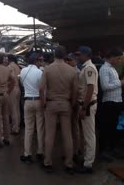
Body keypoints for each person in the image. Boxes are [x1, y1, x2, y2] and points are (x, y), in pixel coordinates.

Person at [40, 46, 78, 174]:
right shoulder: (72, 70)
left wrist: (43, 102)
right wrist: (72, 104)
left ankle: (48, 162)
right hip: (66, 104)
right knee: (67, 134)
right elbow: (75, 91)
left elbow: (41, 88)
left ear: (54, 55)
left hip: (51, 103)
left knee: (50, 134)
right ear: (65, 55)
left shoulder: (48, 69)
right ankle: (69, 163)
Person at [98, 48, 124, 161]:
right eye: (118, 58)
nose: (119, 61)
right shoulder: (104, 69)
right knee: (107, 128)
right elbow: (105, 86)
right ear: (112, 57)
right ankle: (104, 151)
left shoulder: (112, 68)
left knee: (113, 127)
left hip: (116, 101)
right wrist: (121, 82)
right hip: (109, 102)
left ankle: (111, 149)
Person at [76, 46, 98, 174]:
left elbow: (90, 88)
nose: (79, 57)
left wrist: (84, 107)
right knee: (86, 134)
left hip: (88, 105)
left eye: (80, 55)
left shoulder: (89, 68)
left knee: (89, 135)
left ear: (86, 55)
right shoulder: (85, 67)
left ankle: (88, 164)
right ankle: (86, 159)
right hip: (86, 104)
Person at [20, 53, 45, 164]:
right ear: (36, 61)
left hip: (28, 101)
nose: (41, 62)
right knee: (40, 128)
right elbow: (42, 88)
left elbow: (22, 84)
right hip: (38, 100)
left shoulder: (23, 71)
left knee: (29, 129)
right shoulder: (40, 72)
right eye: (39, 60)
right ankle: (40, 152)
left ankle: (27, 154)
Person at [65, 53, 81, 160]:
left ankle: (75, 150)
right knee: (71, 127)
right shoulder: (72, 71)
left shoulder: (77, 72)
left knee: (74, 126)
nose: (67, 62)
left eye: (69, 60)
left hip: (74, 102)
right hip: (71, 101)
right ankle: (73, 150)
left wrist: (73, 103)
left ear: (75, 61)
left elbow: (76, 89)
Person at [7, 54, 21, 135]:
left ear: (9, 59)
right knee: (17, 108)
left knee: (13, 110)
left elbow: (10, 79)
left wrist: (8, 90)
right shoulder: (17, 66)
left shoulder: (10, 67)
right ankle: (17, 126)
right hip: (18, 88)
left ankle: (15, 128)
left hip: (12, 89)